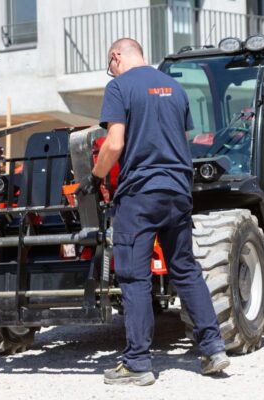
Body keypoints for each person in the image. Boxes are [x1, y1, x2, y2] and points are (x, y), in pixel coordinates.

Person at [75, 38, 229, 386]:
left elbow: (114, 143)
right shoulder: (176, 88)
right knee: (186, 270)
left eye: (110, 65)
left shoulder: (119, 86)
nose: (111, 71)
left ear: (116, 56)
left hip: (140, 195)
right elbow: (178, 138)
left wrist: (94, 177)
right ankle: (213, 348)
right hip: (178, 190)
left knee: (134, 277)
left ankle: (137, 363)